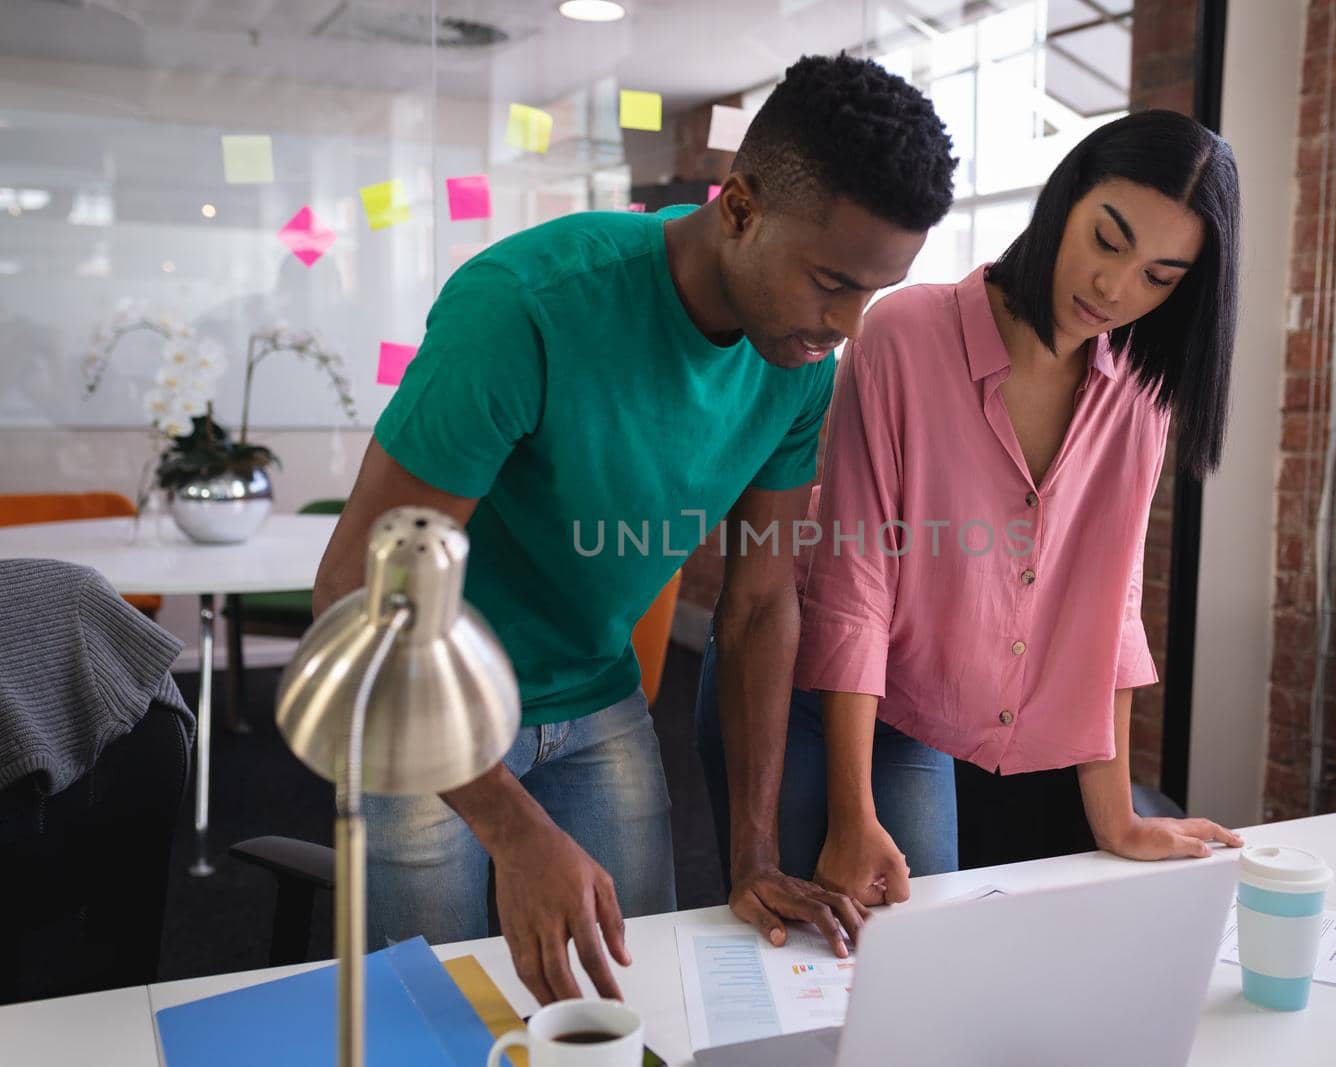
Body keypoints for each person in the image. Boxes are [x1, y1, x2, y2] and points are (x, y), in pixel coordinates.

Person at [311, 54, 957, 1002]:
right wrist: (515, 827)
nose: (850, 323)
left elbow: (761, 600)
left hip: (595, 699)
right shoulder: (525, 307)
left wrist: (753, 853)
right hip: (428, 701)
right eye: (831, 281)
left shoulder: (799, 356)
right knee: (427, 1008)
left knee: (633, 999)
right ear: (738, 207)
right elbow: (354, 597)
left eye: (872, 290)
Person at [696, 109, 1245, 904]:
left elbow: (1110, 605)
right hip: (799, 685)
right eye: (1107, 239)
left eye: (1159, 277)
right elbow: (857, 584)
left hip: (913, 706)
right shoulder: (905, 333)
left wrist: (1117, 817)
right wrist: (852, 813)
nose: (1114, 287)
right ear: (1068, 197)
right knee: (796, 945)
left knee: (921, 946)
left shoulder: (1139, 397)